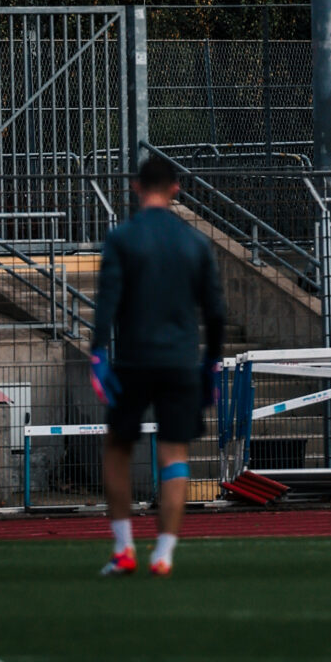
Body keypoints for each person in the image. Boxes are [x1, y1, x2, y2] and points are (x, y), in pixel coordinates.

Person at [89, 153, 225, 578]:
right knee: (174, 453)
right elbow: (215, 311)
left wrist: (98, 353)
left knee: (117, 447)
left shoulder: (122, 239)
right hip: (181, 362)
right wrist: (211, 362)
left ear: (136, 187)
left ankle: (124, 548)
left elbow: (107, 301)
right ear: (175, 190)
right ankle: (164, 552)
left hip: (134, 359)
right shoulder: (195, 242)